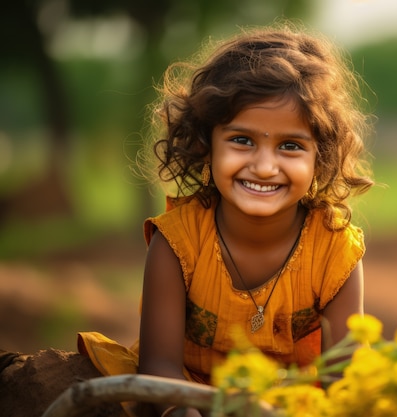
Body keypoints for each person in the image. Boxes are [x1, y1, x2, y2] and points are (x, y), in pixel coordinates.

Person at [75, 22, 374, 417]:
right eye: (242, 140)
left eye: (290, 146)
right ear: (205, 143)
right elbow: (159, 367)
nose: (265, 167)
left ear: (320, 157)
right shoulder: (178, 241)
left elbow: (345, 379)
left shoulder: (335, 249)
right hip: (186, 400)